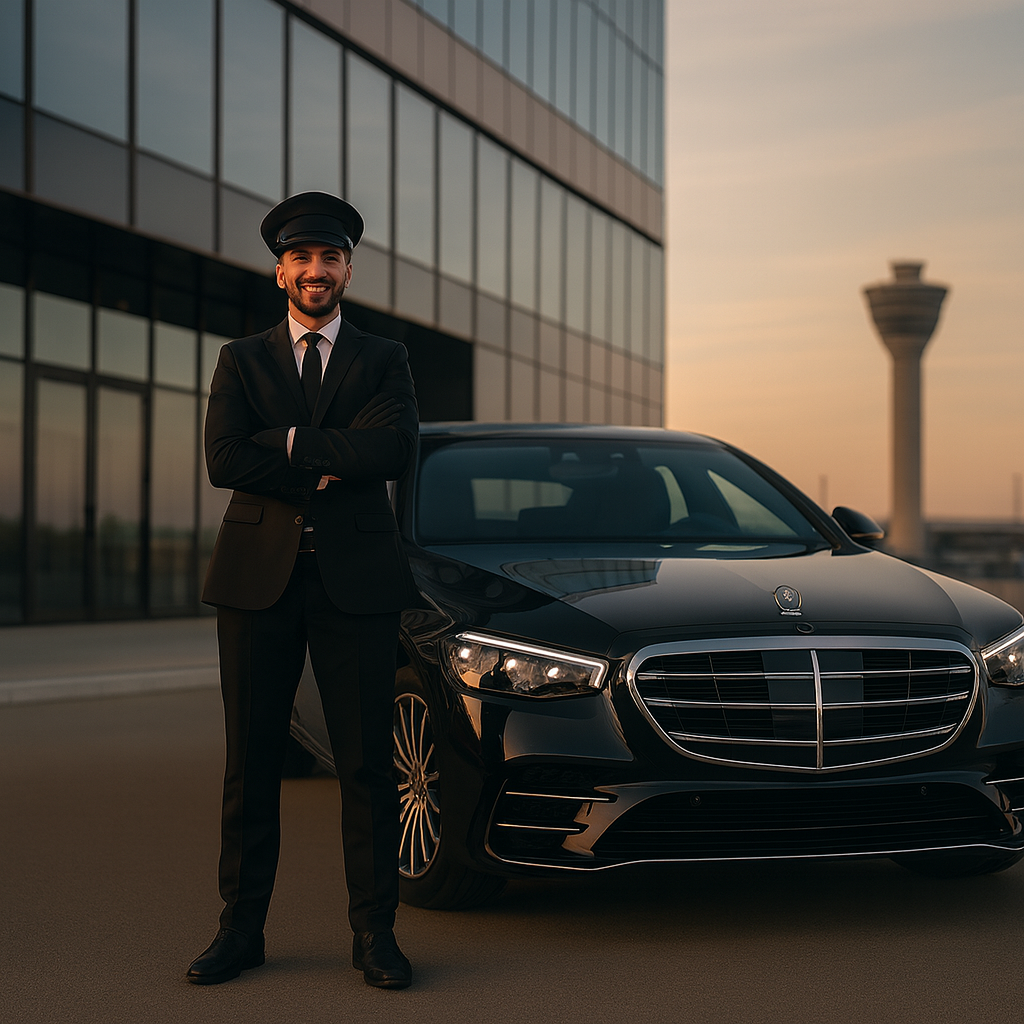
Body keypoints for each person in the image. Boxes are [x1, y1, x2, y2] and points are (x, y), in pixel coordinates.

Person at [187, 192, 419, 990]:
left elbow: (391, 450)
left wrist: (282, 442)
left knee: (364, 766)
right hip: (257, 583)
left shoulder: (385, 356)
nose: (316, 271)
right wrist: (326, 454)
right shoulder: (240, 359)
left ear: (348, 268)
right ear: (279, 269)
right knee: (250, 766)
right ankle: (240, 930)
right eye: (301, 258)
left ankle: (374, 936)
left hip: (356, 583)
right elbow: (224, 459)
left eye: (330, 258)